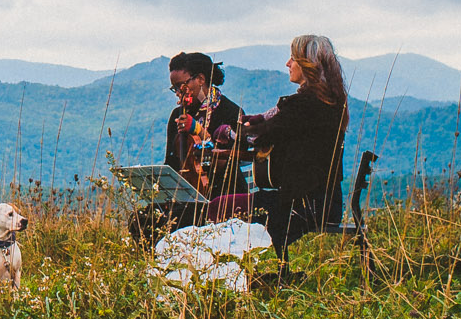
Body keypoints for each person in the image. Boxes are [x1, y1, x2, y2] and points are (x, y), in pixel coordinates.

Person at [214, 34, 348, 253]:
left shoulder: (306, 105)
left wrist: (229, 132)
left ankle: (232, 273)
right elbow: (275, 120)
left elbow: (261, 135)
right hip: (321, 203)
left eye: (293, 58)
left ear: (308, 64)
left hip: (302, 206)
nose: (288, 64)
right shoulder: (327, 102)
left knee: (219, 207)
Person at [129, 52, 244, 243]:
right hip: (185, 193)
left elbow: (229, 158)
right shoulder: (178, 114)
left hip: (220, 191)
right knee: (141, 220)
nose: (178, 93)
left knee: (179, 220)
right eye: (174, 88)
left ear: (200, 79)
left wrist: (198, 130)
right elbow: (172, 162)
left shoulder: (230, 111)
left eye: (182, 86)